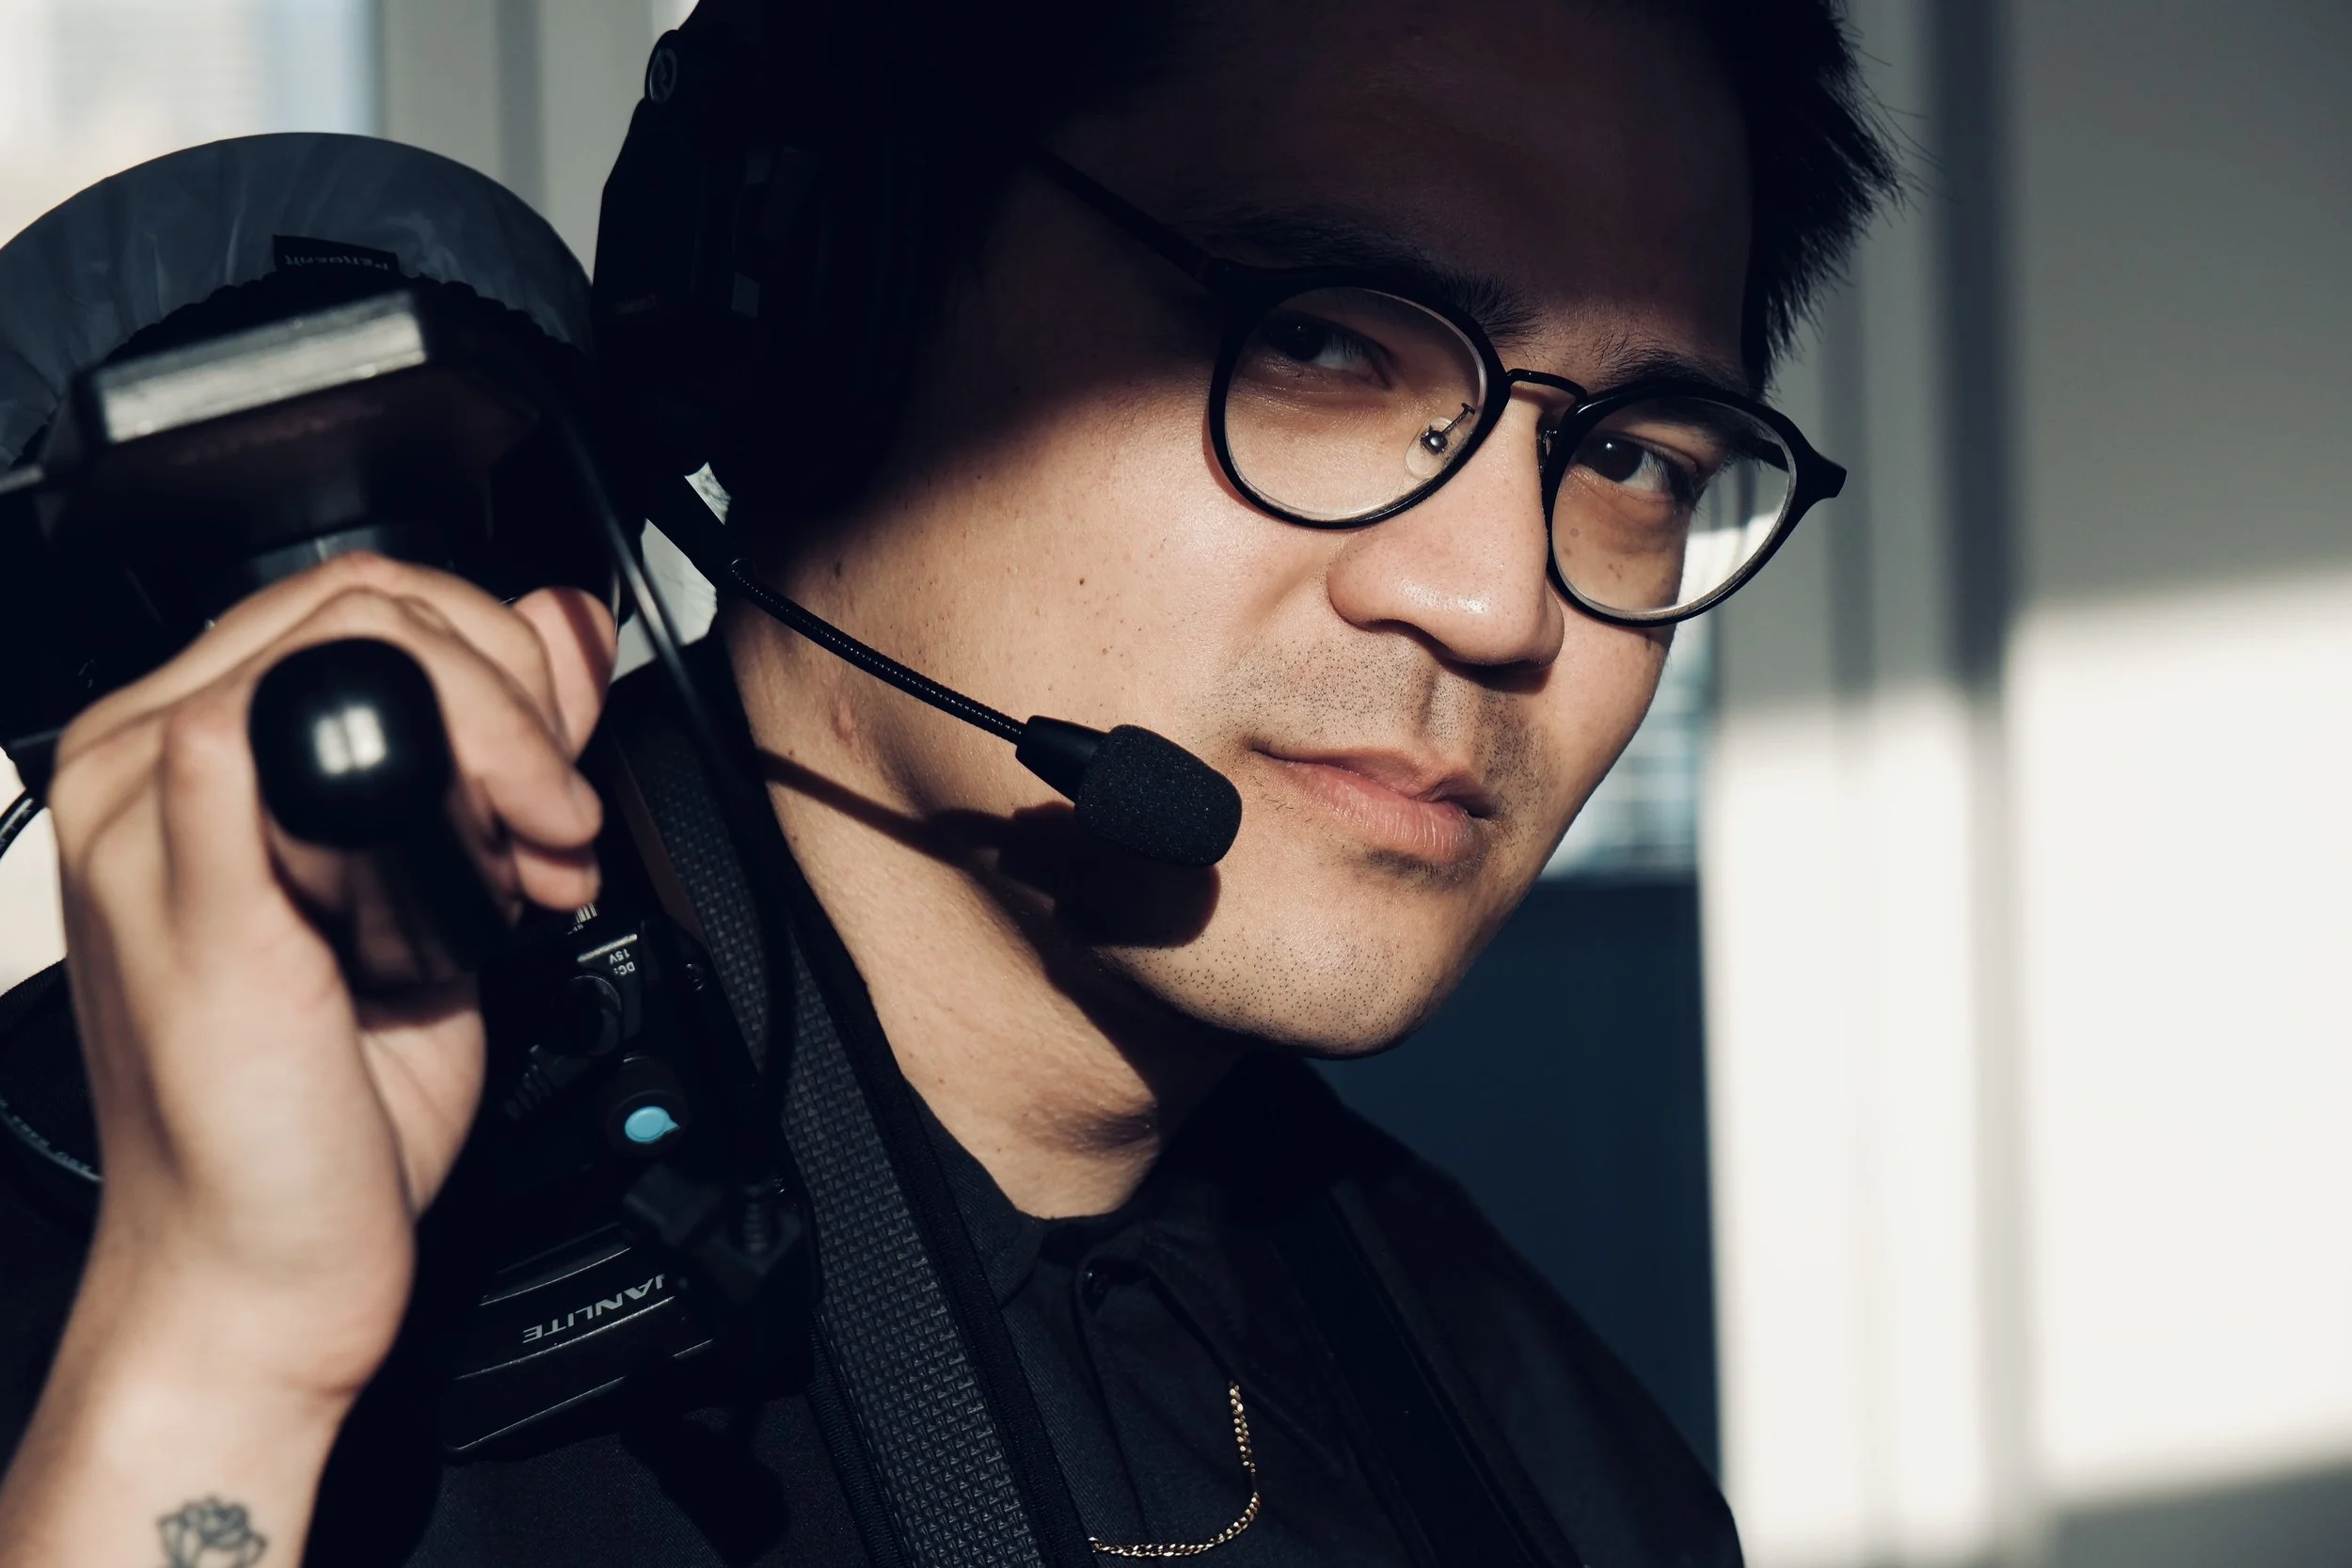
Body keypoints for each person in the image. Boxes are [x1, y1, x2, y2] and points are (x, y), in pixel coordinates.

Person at [0, 0, 1896, 1562]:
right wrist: (212, 1366)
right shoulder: (99, 1278)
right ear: (822, 302)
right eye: (1317, 338)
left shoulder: (1560, 1458)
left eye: (1640, 452)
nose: (1493, 595)